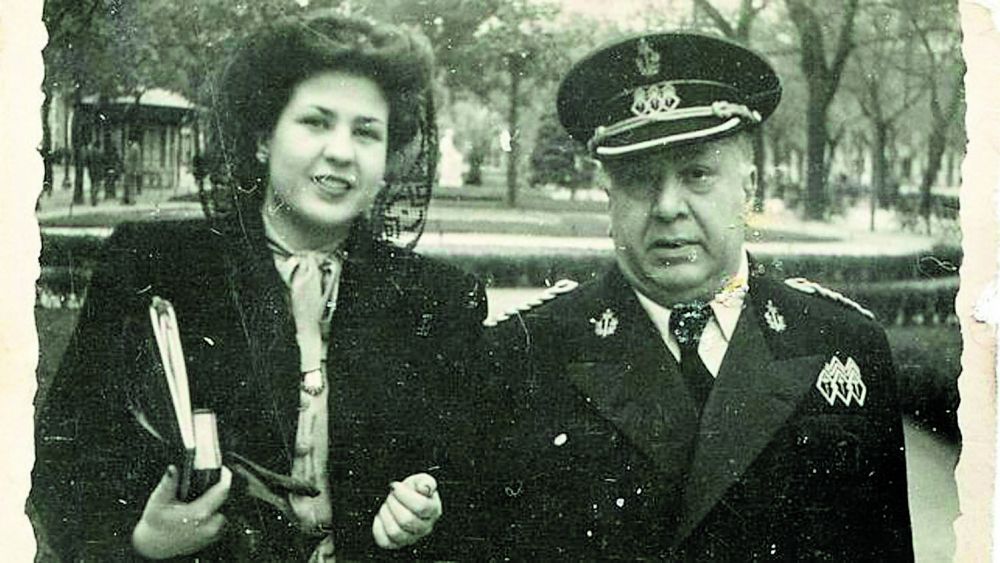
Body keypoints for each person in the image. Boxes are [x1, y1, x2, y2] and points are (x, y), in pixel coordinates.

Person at [31, 12, 486, 561]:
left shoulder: (440, 299)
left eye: (366, 132)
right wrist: (141, 539)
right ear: (264, 139)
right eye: (316, 122)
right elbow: (66, 456)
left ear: (387, 161)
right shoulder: (156, 265)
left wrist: (424, 508)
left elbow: (470, 479)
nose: (342, 151)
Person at [484, 32, 913, 560]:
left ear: (748, 187)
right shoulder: (525, 352)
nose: (668, 206)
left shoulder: (842, 343)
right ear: (608, 197)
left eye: (697, 174)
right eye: (639, 179)